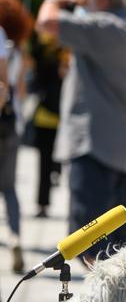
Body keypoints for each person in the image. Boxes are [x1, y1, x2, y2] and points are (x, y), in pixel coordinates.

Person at [35, 0, 126, 263]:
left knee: (88, 248)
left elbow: (46, 22)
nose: (74, 2)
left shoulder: (105, 27)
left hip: (94, 148)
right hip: (118, 149)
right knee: (116, 251)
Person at [0, 0, 33, 274]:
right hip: (10, 125)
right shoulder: (17, 52)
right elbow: (19, 91)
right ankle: (15, 236)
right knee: (9, 188)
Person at [25, 30, 67, 218]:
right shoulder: (44, 52)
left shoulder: (64, 52)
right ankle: (43, 202)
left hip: (56, 115)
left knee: (48, 161)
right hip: (50, 115)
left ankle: (43, 202)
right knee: (45, 162)